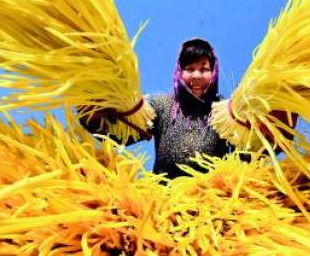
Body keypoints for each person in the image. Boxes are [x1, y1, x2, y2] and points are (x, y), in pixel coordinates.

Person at [78, 38, 295, 179]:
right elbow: (122, 132)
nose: (197, 76)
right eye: (189, 69)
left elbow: (252, 150)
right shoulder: (160, 105)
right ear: (179, 73)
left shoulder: (226, 113)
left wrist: (277, 124)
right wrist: (99, 107)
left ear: (214, 73)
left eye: (204, 69)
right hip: (162, 202)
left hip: (214, 206)